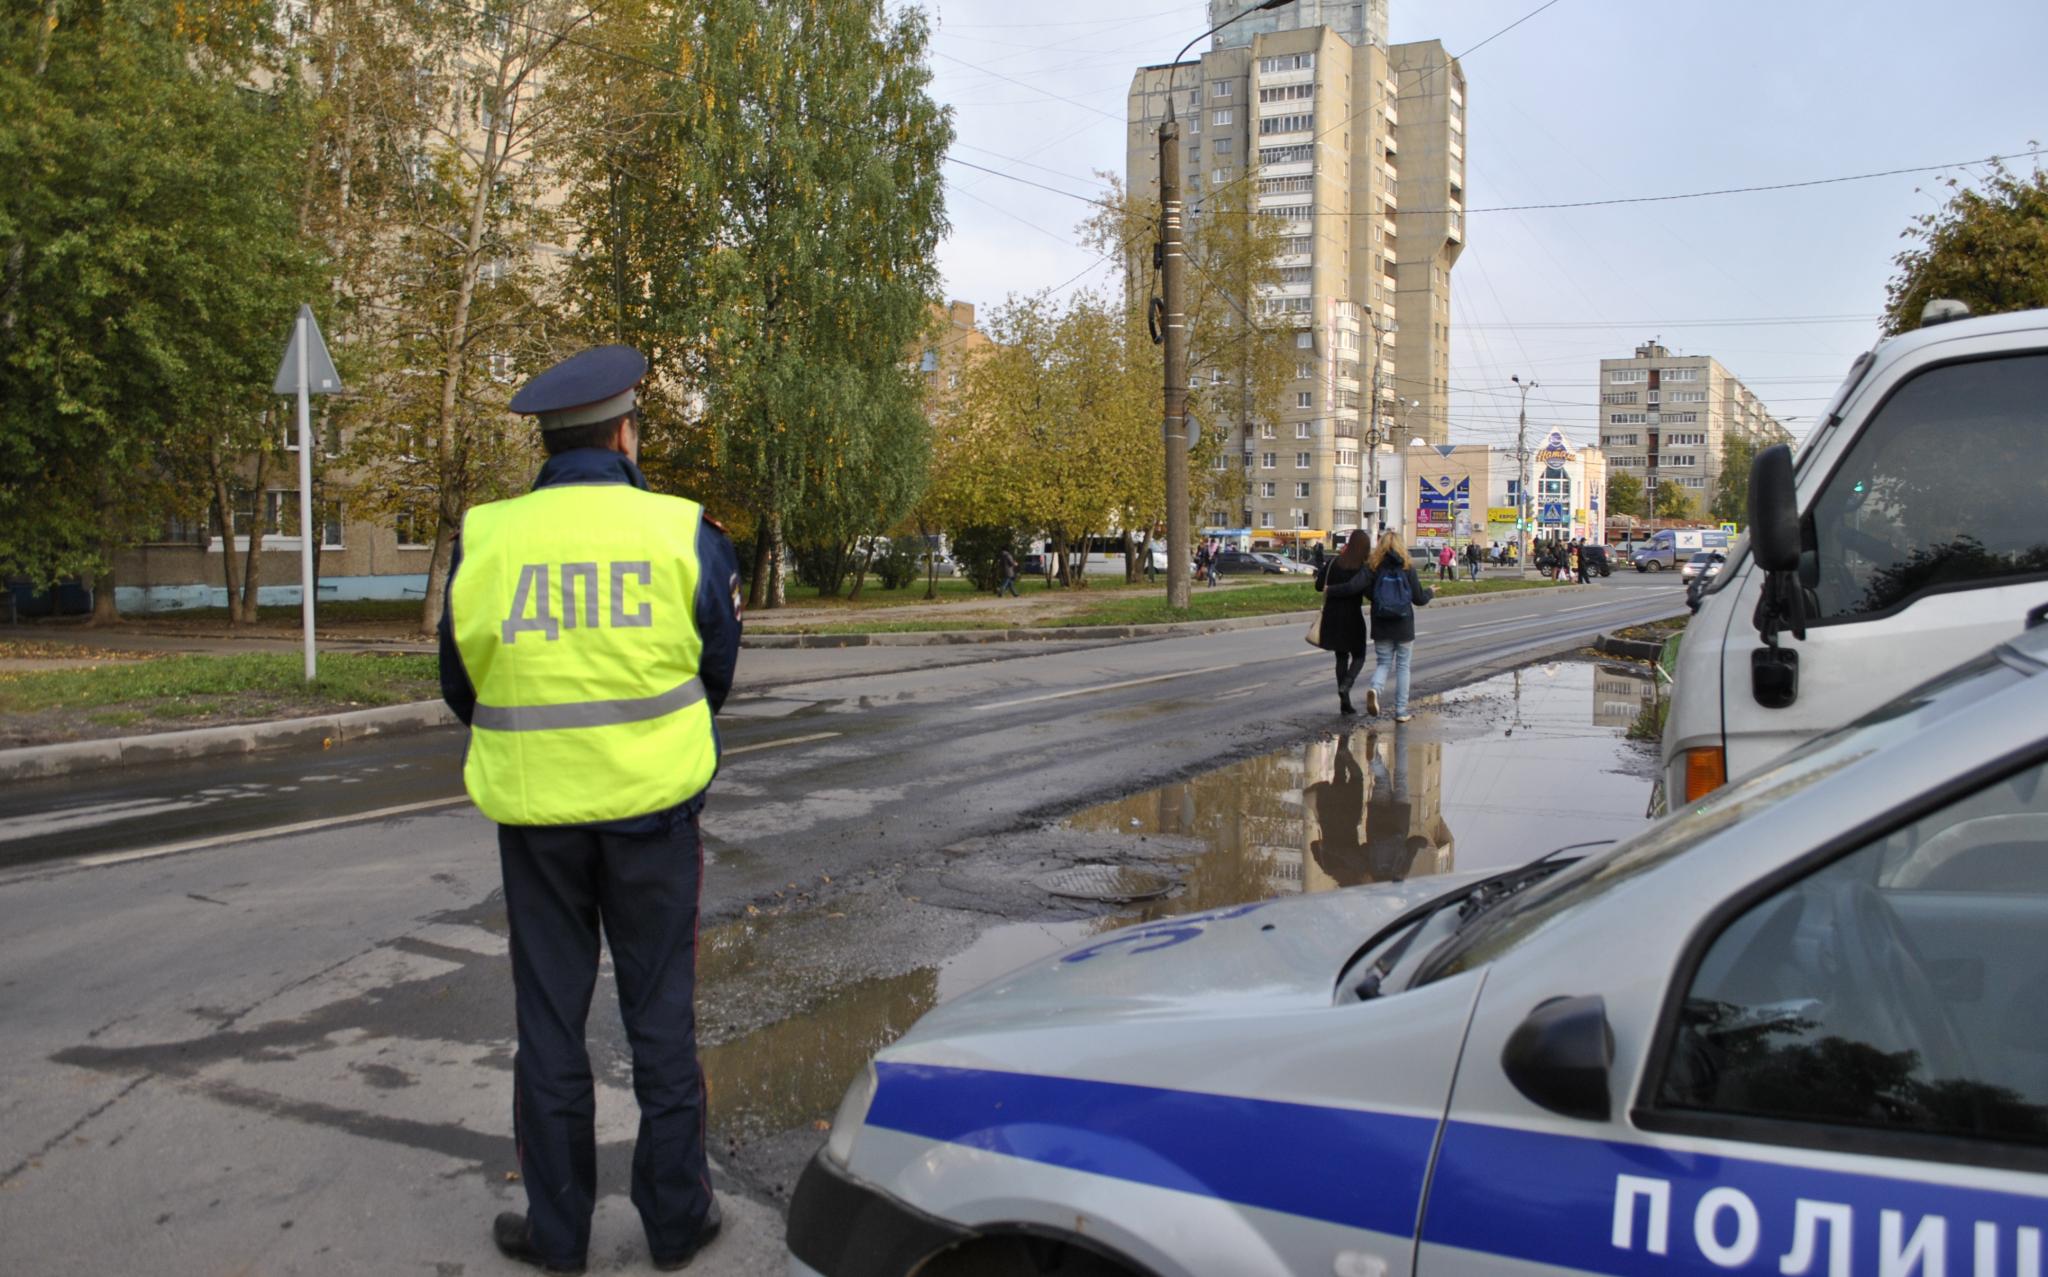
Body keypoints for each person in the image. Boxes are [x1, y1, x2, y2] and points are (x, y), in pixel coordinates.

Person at [439, 344, 739, 1276]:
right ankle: (676, 1221)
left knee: (549, 1026)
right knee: (661, 1021)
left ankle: (558, 1233)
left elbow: (462, 684)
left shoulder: (489, 538)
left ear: (551, 438)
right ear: (622, 432)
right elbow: (715, 672)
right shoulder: (682, 531)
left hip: (537, 824)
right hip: (654, 819)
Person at [1356, 528, 1432, 721]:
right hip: (1403, 624)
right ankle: (1400, 711)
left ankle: (1375, 688)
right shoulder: (1407, 568)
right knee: (1403, 667)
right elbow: (1419, 599)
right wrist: (1430, 592)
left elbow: (1368, 593)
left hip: (1381, 622)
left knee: (1383, 663)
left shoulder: (1373, 567)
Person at [1313, 529, 1373, 714]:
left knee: (1341, 657)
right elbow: (1367, 593)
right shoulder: (1362, 568)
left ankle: (1344, 702)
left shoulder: (1333, 563)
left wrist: (1329, 587)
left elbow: (1318, 586)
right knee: (1360, 655)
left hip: (1332, 616)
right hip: (1352, 616)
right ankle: (1347, 685)